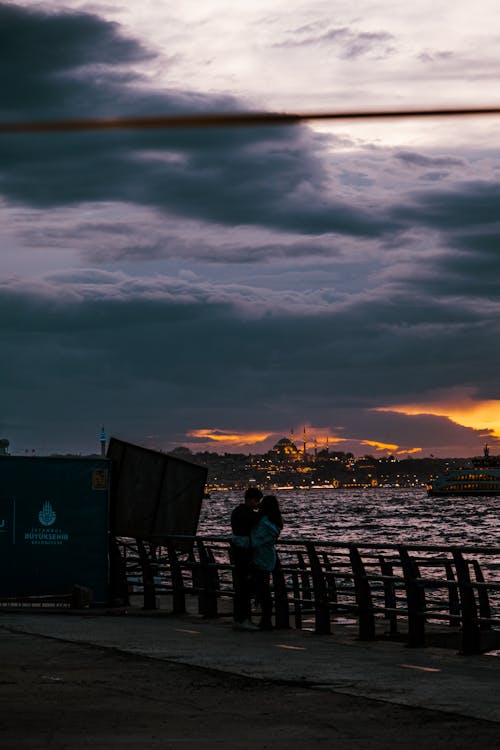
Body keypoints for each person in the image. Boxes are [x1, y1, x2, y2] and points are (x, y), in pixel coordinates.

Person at [230, 486, 262, 631]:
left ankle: (239, 618)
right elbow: (253, 523)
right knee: (245, 588)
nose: (258, 504)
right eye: (257, 501)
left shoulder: (238, 511)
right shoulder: (246, 514)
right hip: (244, 554)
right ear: (250, 500)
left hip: (238, 552)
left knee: (241, 587)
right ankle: (244, 619)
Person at [250, 494, 283, 631]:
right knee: (264, 589)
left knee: (261, 589)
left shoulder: (262, 521)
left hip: (259, 556)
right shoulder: (275, 522)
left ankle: (265, 620)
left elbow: (255, 539)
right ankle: (267, 619)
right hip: (270, 556)